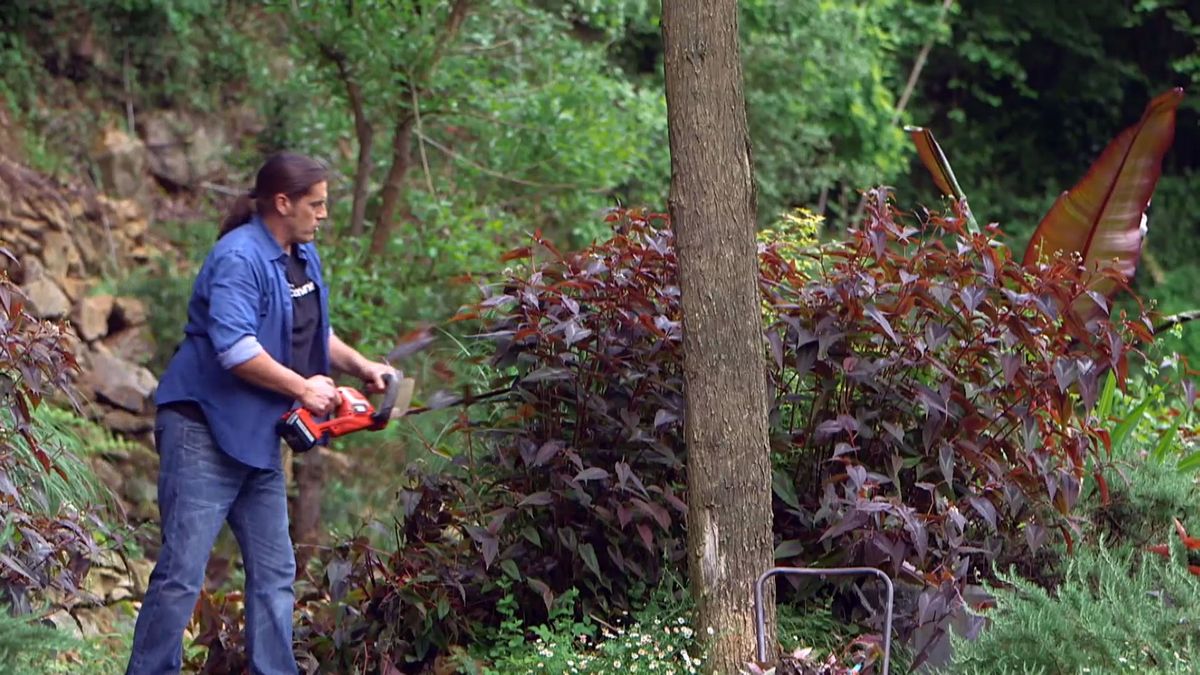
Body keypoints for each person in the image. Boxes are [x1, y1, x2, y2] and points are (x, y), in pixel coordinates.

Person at [125, 152, 393, 675]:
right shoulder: (238, 258)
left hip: (257, 436)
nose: (323, 215)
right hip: (201, 429)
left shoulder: (301, 256)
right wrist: (305, 389)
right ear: (282, 202)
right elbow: (236, 348)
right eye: (315, 205)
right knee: (182, 573)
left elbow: (315, 332)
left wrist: (361, 367)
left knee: (275, 570)